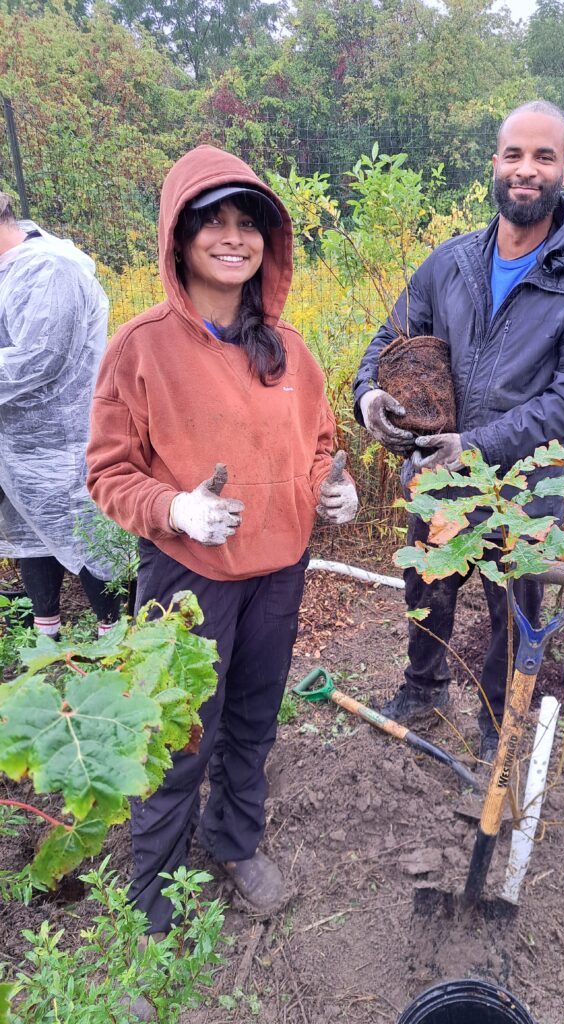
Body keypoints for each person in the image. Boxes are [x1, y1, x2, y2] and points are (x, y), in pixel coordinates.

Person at [87, 145, 358, 949]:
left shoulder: (290, 348)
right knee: (178, 734)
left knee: (252, 717)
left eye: (249, 225)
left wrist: (332, 491)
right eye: (214, 224)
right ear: (179, 238)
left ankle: (234, 843)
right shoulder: (141, 348)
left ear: (267, 245)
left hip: (278, 573)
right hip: (188, 574)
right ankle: (153, 896)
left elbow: (318, 443)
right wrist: (172, 507)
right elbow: (107, 471)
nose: (233, 239)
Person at [353, 101, 564, 765]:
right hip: (436, 471)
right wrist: (369, 397)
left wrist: (478, 445)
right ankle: (423, 687)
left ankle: (498, 717)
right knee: (427, 583)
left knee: (512, 607)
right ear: (495, 164)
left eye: (541, 157)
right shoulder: (450, 263)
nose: (525, 170)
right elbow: (391, 340)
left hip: (523, 486)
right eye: (513, 154)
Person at [0, 192, 120, 639]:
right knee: (31, 531)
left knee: (85, 534)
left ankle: (117, 637)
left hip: (63, 440)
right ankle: (46, 631)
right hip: (18, 440)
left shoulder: (48, 269)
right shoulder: (11, 270)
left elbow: (40, 358)